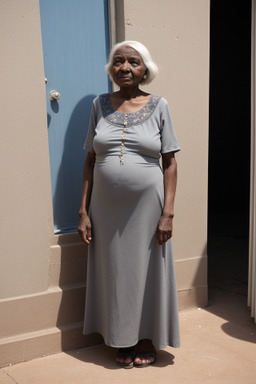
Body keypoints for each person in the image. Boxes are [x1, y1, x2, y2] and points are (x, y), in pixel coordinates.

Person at [78, 40, 180, 368]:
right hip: (104, 210)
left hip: (148, 209)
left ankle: (147, 338)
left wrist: (168, 213)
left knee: (148, 269)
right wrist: (83, 211)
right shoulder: (98, 105)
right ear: (112, 69)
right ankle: (122, 337)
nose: (125, 67)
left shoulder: (160, 105)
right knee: (115, 271)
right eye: (119, 62)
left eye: (133, 62)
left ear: (145, 69)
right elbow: (90, 161)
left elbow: (170, 162)